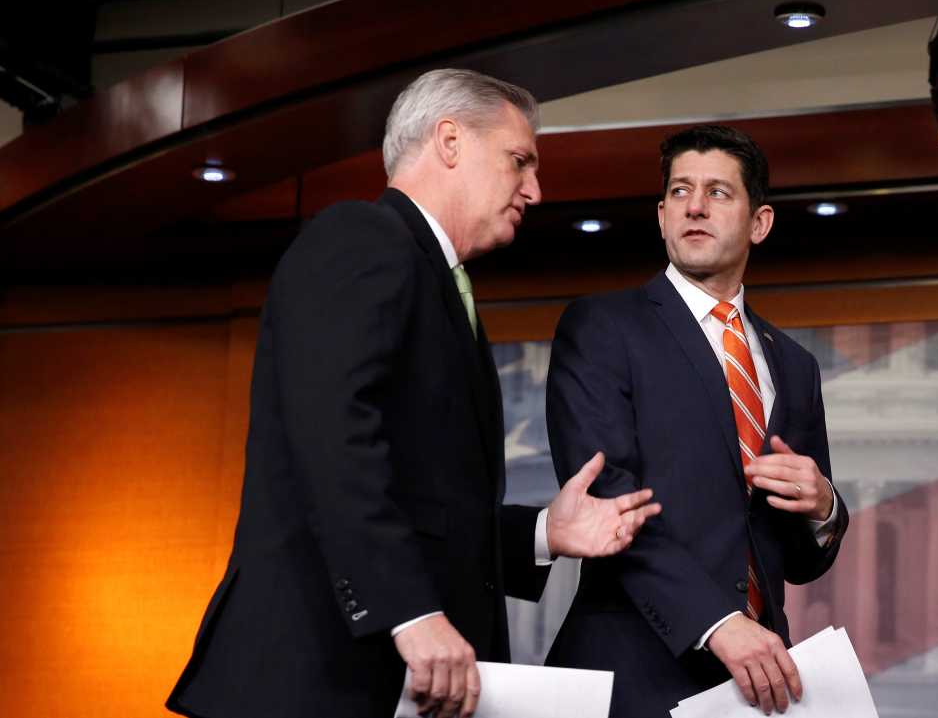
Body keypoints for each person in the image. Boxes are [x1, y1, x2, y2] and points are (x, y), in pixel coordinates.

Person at [166, 69, 661, 718]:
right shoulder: (362, 238)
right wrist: (409, 610)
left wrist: (546, 532)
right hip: (317, 681)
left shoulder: (440, 284)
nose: (535, 190)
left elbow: (425, 504)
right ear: (449, 141)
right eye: (520, 161)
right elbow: (335, 436)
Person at [543, 125, 849, 717]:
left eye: (718, 192)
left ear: (759, 223)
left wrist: (824, 508)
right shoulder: (603, 328)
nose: (696, 207)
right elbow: (609, 501)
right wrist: (717, 622)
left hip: (758, 684)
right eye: (680, 192)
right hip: (634, 673)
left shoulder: (794, 364)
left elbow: (802, 561)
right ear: (660, 217)